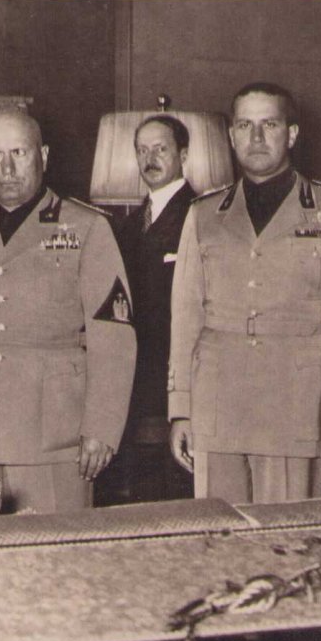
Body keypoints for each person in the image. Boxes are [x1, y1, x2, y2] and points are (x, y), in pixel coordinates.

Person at [0, 108, 136, 513]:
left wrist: (102, 427)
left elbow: (114, 339)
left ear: (44, 156)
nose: (7, 168)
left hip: (54, 431)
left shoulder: (86, 227)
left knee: (52, 546)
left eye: (18, 152)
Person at [168, 82, 321, 502]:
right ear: (231, 136)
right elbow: (186, 317)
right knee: (216, 534)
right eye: (245, 125)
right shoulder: (203, 214)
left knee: (288, 535)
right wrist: (181, 409)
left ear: (292, 134)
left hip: (296, 409)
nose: (257, 137)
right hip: (217, 408)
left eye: (270, 124)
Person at [106, 114, 197, 503]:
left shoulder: (200, 216)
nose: (150, 159)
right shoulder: (127, 226)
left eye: (160, 149)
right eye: (142, 150)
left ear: (184, 155)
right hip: (134, 389)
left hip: (176, 387)